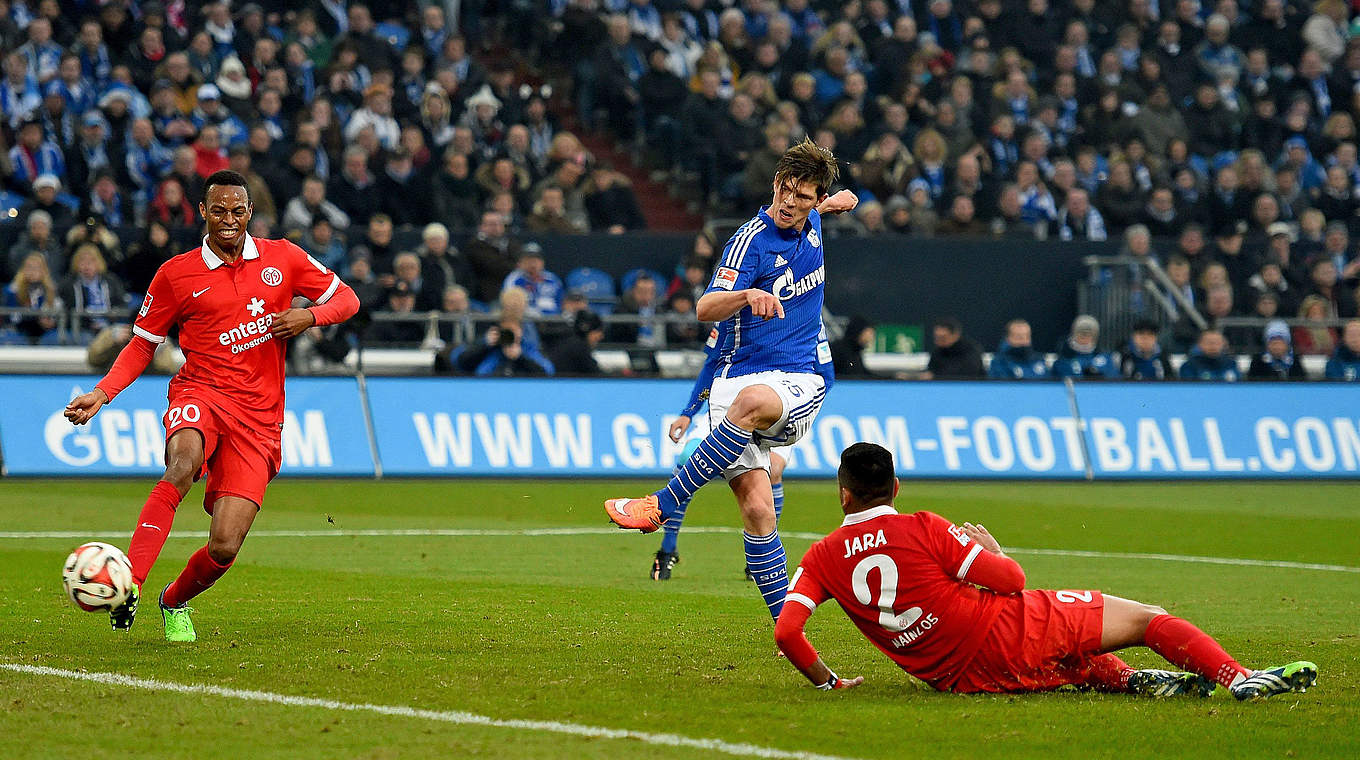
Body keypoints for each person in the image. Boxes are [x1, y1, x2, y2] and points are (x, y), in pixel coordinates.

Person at [774, 442, 1318, 700]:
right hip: (1002, 633)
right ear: (895, 488)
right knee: (1146, 619)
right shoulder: (923, 526)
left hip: (958, 679)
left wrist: (829, 681)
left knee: (1073, 658)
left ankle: (1134, 682)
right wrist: (989, 549)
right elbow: (1012, 582)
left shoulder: (821, 556)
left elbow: (787, 631)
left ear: (843, 495)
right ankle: (1238, 679)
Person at [62, 170, 359, 642]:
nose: (228, 220)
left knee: (224, 546)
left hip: (260, 417)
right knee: (180, 466)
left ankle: (173, 601)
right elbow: (142, 345)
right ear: (202, 212)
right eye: (218, 210)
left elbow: (347, 298)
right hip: (200, 392)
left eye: (237, 211)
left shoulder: (283, 257)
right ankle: (131, 584)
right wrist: (103, 392)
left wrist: (310, 314)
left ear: (249, 213)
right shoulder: (176, 274)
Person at [604, 138, 858, 624]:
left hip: (794, 377)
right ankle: (789, 632)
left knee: (752, 401)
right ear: (774, 184)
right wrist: (747, 296)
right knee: (759, 513)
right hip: (731, 381)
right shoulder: (749, 241)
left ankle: (662, 502)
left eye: (803, 197)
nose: (789, 203)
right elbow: (704, 308)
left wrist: (835, 203)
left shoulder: (815, 218)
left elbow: (825, 205)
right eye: (785, 190)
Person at [651, 320, 835, 581]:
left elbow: (826, 375)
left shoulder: (807, 315)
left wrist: (797, 411)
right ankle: (667, 550)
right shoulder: (732, 310)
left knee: (773, 471)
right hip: (728, 408)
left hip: (779, 408)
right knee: (685, 458)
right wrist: (688, 413)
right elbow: (711, 364)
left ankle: (763, 553)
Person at [1052, 315, 1119, 379]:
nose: (1084, 336)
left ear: (1095, 336)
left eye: (1089, 333)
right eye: (1081, 333)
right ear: (1074, 334)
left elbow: (1117, 382)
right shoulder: (1063, 361)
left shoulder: (1106, 359)